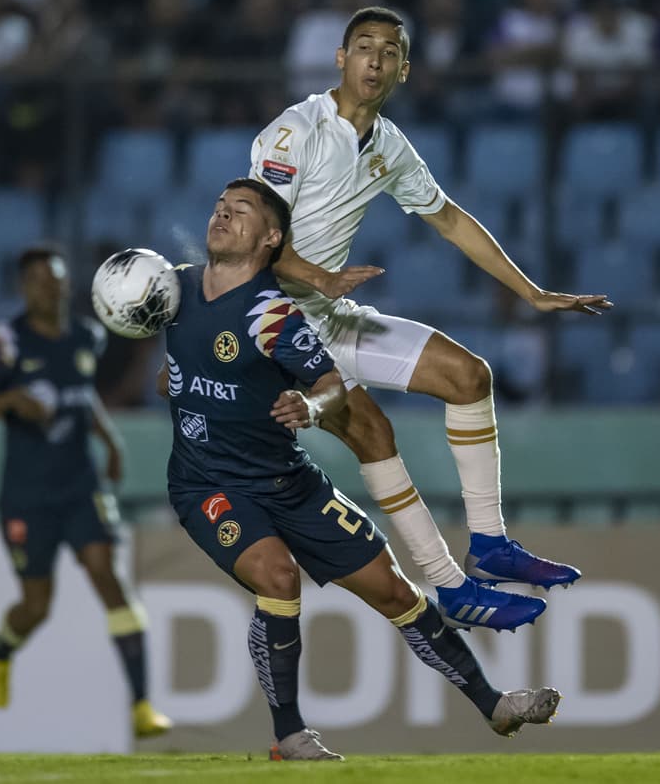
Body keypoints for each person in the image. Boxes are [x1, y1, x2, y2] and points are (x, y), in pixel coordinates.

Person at [159, 179, 561, 760]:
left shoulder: (272, 315)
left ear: (271, 238)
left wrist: (310, 407)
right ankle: (290, 735)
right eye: (220, 207)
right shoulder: (174, 287)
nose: (223, 215)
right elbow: (158, 343)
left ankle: (492, 705)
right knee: (277, 577)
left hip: (288, 482)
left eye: (240, 211)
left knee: (396, 591)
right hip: (208, 486)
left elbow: (329, 388)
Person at [250, 7, 612, 627]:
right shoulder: (294, 131)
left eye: (389, 51)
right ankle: (449, 585)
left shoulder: (388, 145)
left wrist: (531, 292)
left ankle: (491, 545)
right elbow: (252, 239)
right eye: (363, 47)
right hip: (270, 323)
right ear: (340, 59)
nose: (375, 59)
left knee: (469, 376)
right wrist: (319, 278)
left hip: (328, 312)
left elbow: (448, 218)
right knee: (371, 431)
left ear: (404, 70)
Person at [0, 246, 173, 739]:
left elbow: (83, 395)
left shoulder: (87, 335)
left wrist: (109, 440)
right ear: (24, 287)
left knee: (107, 577)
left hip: (82, 483)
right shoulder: (6, 341)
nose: (49, 287)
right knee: (37, 605)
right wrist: (14, 397)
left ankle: (142, 705)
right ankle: (1, 647)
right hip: (28, 494)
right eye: (38, 280)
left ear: (66, 285)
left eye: (55, 279)